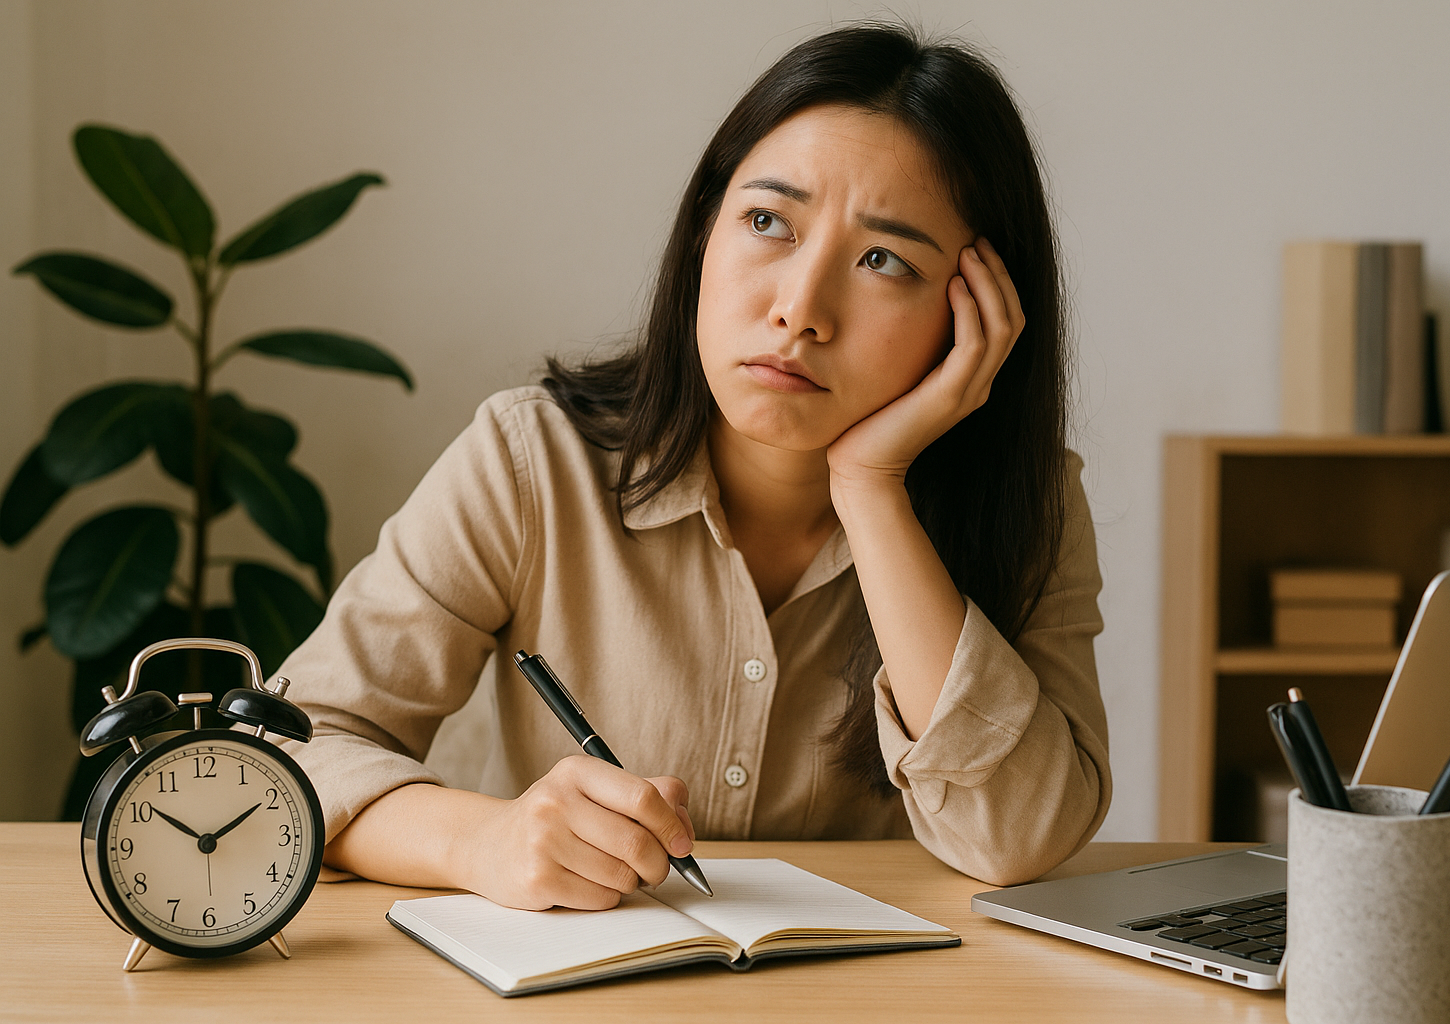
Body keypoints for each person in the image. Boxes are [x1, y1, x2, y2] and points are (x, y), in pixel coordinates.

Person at [276, 21, 1111, 912]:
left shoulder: (1029, 500)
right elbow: (293, 747)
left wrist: (872, 491)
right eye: (767, 221)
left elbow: (1020, 837)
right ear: (705, 232)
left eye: (883, 259)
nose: (799, 310)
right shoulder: (533, 463)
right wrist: (483, 839)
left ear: (975, 310)